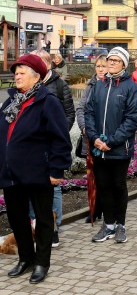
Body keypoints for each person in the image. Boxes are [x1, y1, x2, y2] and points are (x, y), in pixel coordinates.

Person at [0, 54, 72, 284]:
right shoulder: (11, 100)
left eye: (22, 73)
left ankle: (41, 262)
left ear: (36, 77)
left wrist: (57, 170)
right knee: (17, 217)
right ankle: (25, 258)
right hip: (11, 172)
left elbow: (60, 138)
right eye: (16, 73)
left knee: (42, 218)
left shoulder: (47, 101)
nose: (17, 76)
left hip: (39, 171)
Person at [85, 47, 137, 243]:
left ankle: (120, 225)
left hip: (119, 148)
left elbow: (132, 119)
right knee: (103, 186)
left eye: (116, 60)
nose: (111, 63)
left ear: (124, 64)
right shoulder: (99, 85)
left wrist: (111, 141)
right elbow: (89, 113)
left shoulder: (131, 88)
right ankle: (108, 225)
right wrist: (94, 138)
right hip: (99, 147)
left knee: (118, 185)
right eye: (110, 59)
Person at [31, 49, 75, 247]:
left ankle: (54, 228)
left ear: (47, 65)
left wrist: (58, 134)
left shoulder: (59, 85)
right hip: (33, 146)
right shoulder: (30, 86)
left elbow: (69, 113)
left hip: (51, 144)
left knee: (54, 187)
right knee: (32, 186)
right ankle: (35, 227)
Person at [75, 54, 108, 223]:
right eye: (98, 66)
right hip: (90, 136)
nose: (101, 69)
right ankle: (94, 209)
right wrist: (85, 128)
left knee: (106, 176)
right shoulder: (91, 84)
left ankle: (107, 209)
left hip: (106, 138)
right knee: (93, 176)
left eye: (104, 66)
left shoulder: (112, 84)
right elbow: (81, 108)